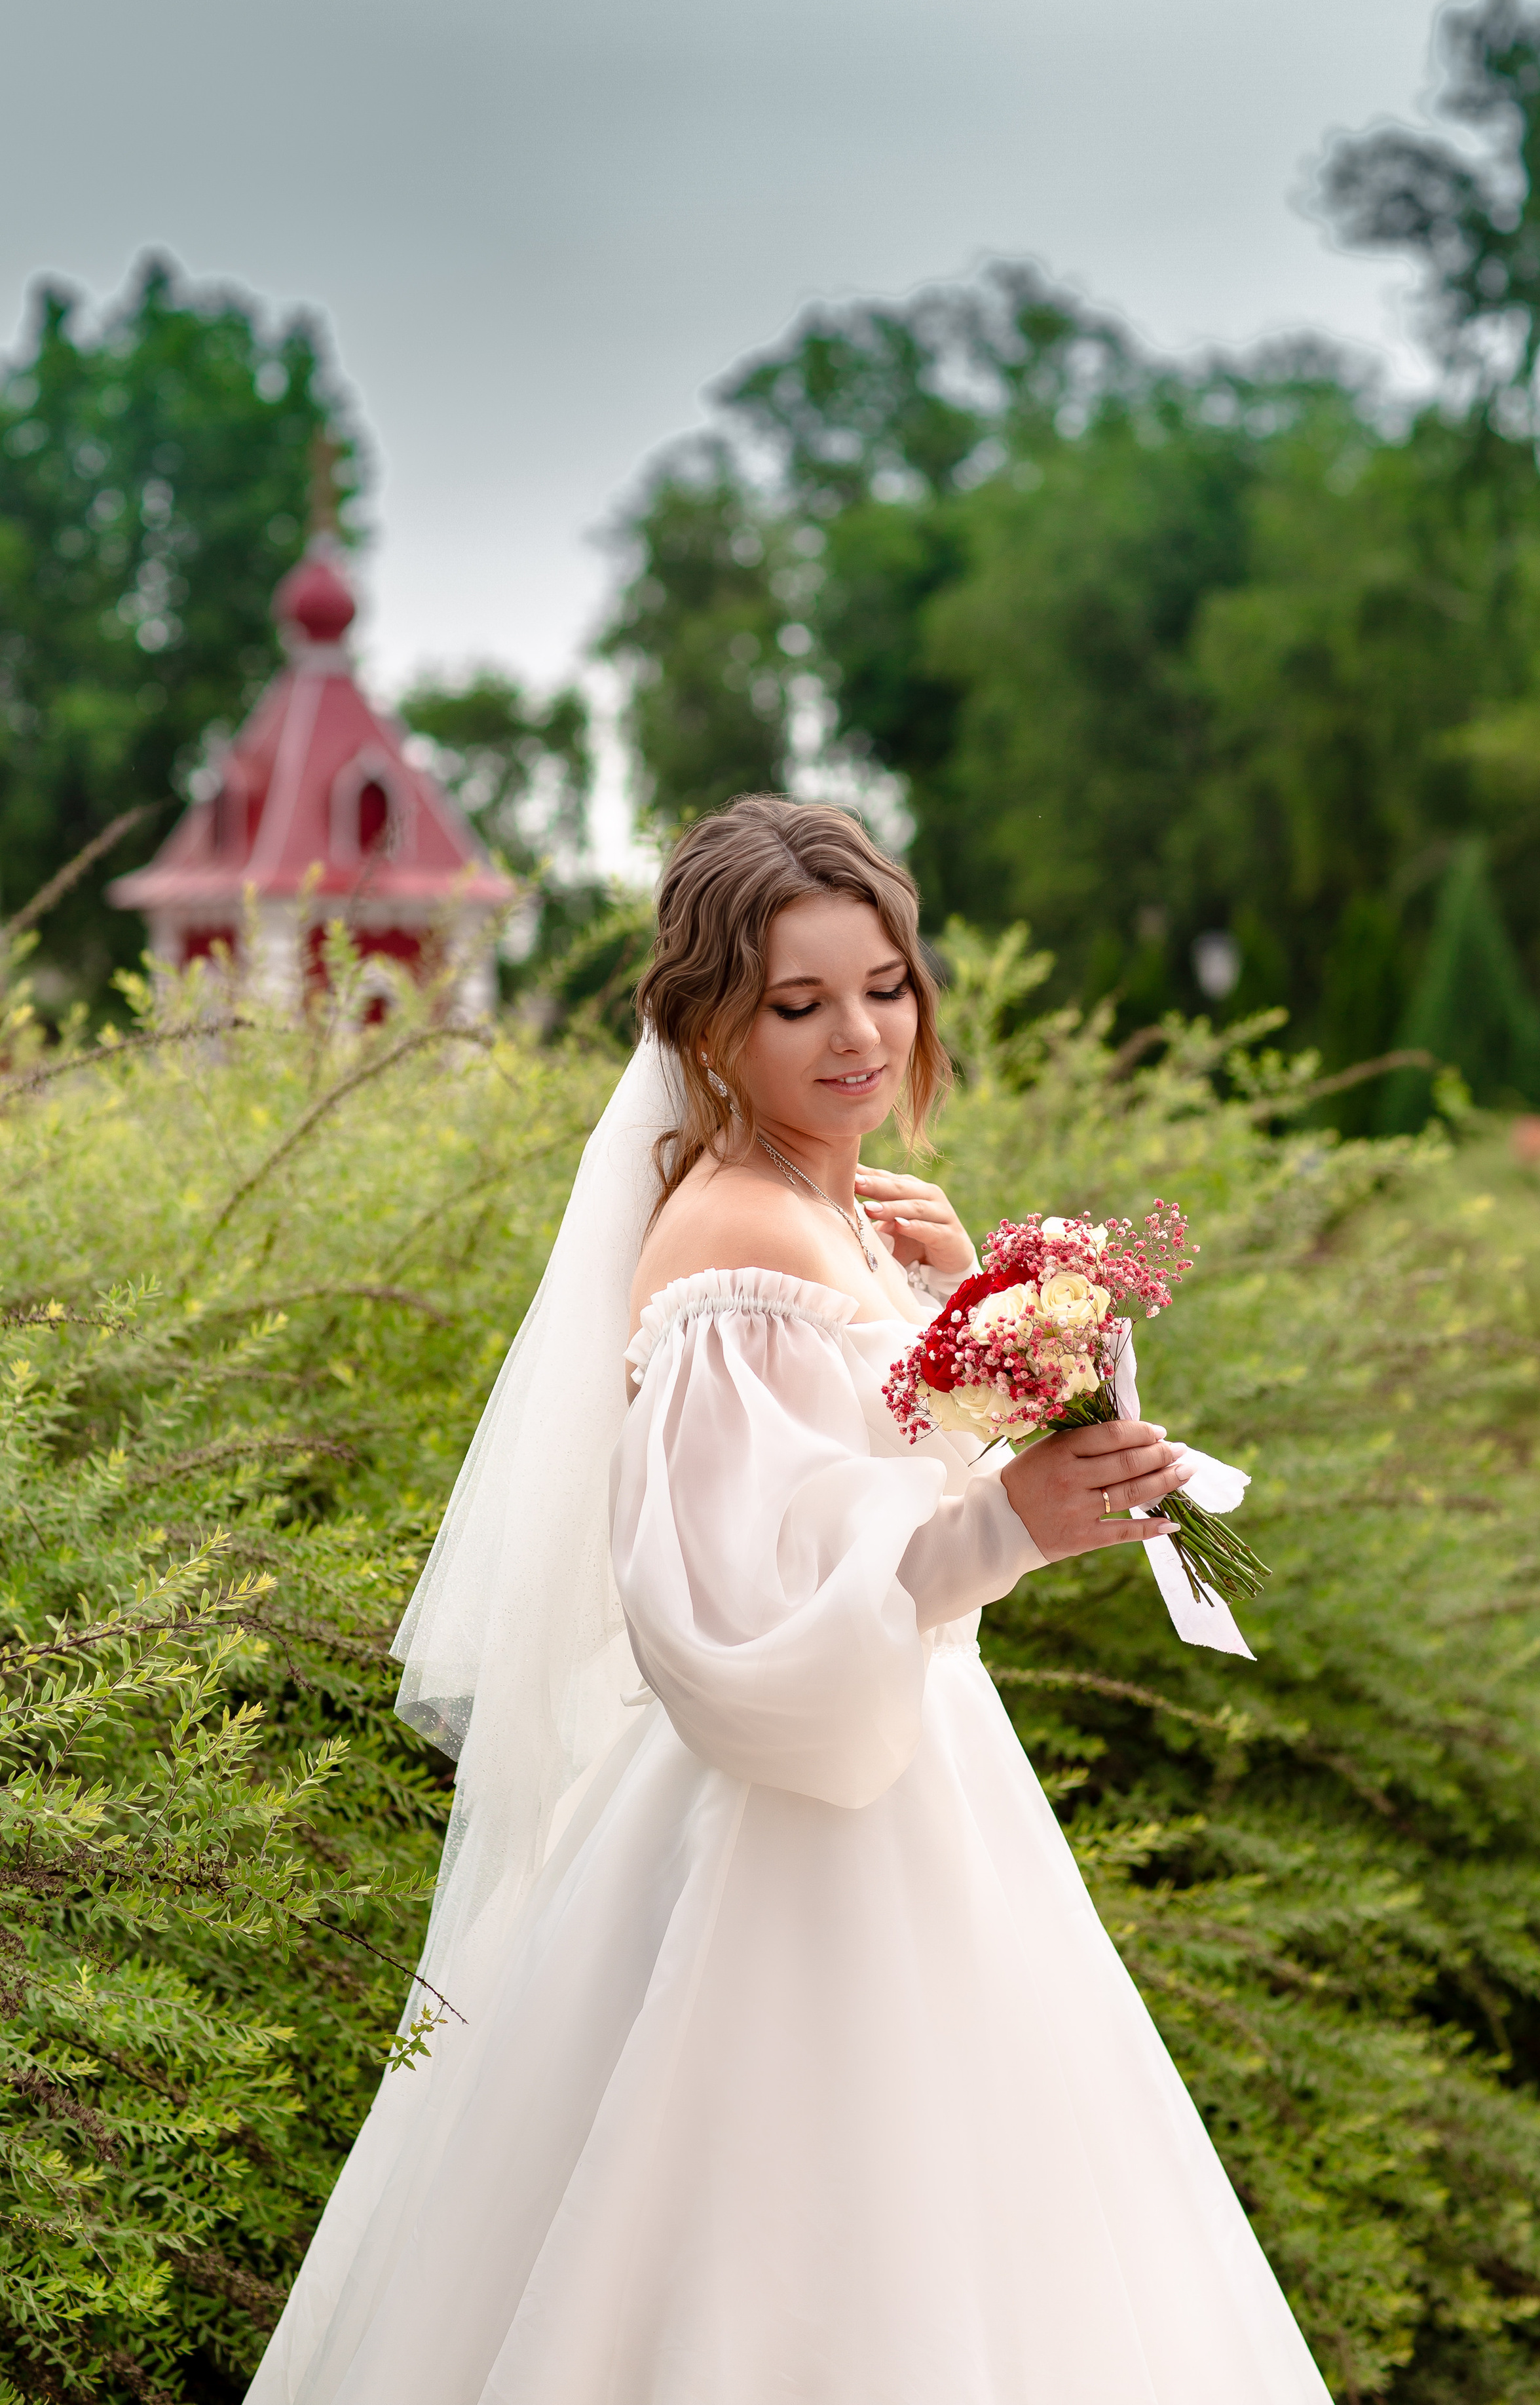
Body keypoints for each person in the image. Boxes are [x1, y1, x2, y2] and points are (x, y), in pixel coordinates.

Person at [248, 796, 1332, 2404]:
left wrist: (977, 1307)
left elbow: (870, 1471)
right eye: (796, 1002)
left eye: (884, 986)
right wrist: (1010, 1528)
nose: (859, 1037)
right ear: (704, 1025)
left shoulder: (842, 1205)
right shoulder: (730, 1251)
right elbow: (730, 1631)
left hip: (922, 1783)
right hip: (792, 1834)